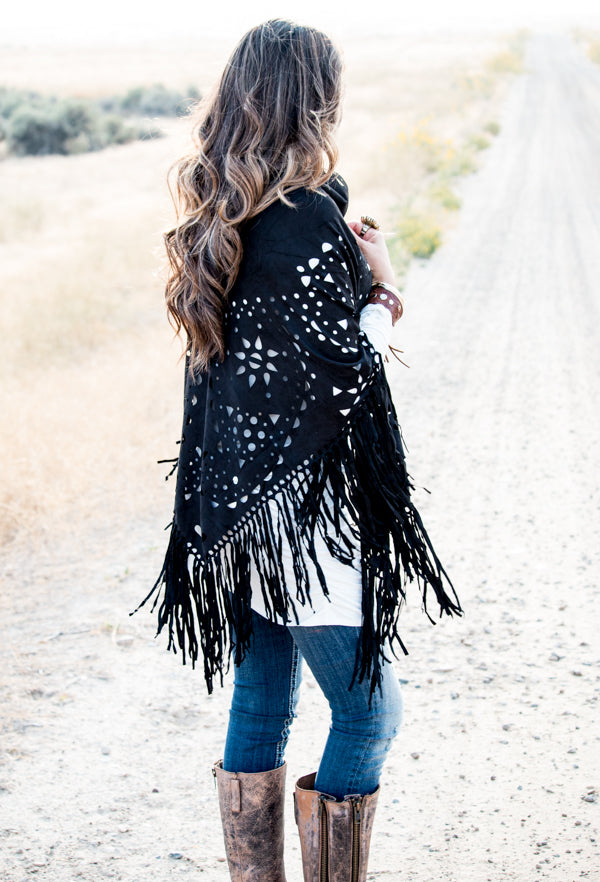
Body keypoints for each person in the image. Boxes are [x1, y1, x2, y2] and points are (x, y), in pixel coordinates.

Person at [138, 19, 462, 882]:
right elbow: (341, 373)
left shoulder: (220, 212)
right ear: (311, 101)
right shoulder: (308, 218)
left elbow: (246, 377)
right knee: (368, 715)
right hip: (304, 512)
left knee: (261, 703)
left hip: (239, 504)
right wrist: (384, 289)